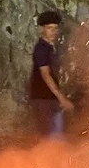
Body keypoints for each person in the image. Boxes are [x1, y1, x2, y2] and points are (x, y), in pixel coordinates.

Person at [29, 10, 73, 139]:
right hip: (43, 99)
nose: (53, 32)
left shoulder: (51, 47)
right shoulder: (41, 48)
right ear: (41, 29)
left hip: (50, 98)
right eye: (49, 28)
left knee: (56, 136)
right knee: (50, 138)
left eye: (55, 28)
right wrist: (62, 98)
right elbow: (46, 75)